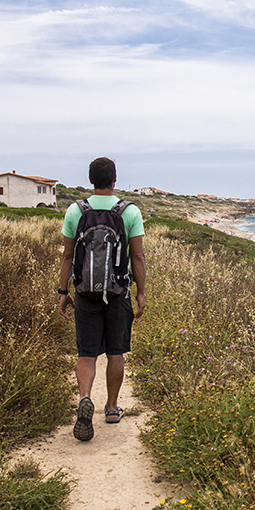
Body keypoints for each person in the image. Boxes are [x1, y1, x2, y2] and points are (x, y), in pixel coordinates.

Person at [56, 157, 147, 441]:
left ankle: (85, 398)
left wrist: (63, 292)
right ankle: (110, 408)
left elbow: (68, 256)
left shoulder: (76, 210)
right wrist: (141, 293)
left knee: (86, 353)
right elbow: (138, 256)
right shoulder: (129, 211)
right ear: (115, 178)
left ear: (91, 179)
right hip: (118, 293)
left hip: (84, 292)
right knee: (115, 352)